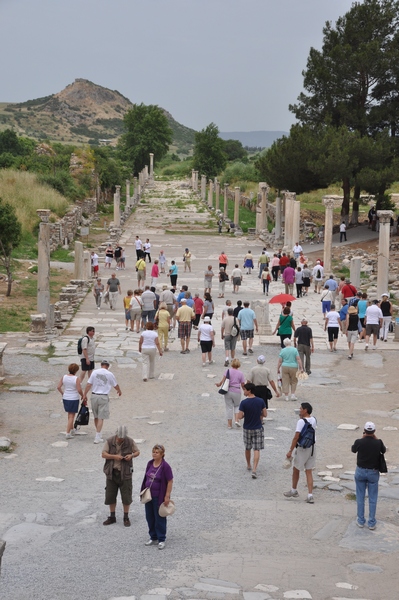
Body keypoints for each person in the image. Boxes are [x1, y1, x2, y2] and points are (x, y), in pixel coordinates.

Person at [102, 425, 140, 528]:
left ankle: (126, 517)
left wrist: (131, 456)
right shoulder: (110, 441)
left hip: (125, 473)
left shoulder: (130, 441)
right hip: (112, 472)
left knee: (126, 496)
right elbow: (103, 454)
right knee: (110, 495)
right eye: (119, 437)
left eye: (122, 438)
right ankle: (112, 516)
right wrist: (114, 457)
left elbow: (137, 452)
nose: (120, 439)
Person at [352, 422, 386, 530]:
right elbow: (384, 450)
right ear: (374, 431)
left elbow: (353, 449)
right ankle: (371, 522)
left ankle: (361, 520)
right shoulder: (378, 443)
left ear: (364, 431)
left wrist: (363, 437)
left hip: (361, 471)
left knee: (360, 496)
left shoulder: (359, 442)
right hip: (373, 472)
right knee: (373, 497)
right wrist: (375, 438)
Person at [141, 444, 173, 550]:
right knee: (149, 516)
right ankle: (153, 537)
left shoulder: (165, 466)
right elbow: (145, 477)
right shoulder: (150, 463)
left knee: (160, 517)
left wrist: (167, 496)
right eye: (153, 451)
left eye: (157, 452)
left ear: (162, 454)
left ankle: (161, 539)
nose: (154, 454)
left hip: (158, 496)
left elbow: (170, 481)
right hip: (149, 496)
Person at [284, 402, 317, 504]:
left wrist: (290, 450)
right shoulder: (314, 419)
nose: (299, 410)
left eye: (301, 409)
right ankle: (310, 495)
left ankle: (294, 490)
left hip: (302, 448)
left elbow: (296, 437)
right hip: (312, 447)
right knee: (309, 471)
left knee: (296, 469)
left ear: (305, 410)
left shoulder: (301, 422)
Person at [83, 360, 122, 444]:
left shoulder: (94, 372)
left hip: (94, 395)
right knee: (101, 417)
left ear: (101, 365)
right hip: (103, 396)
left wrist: (84, 394)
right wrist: (119, 391)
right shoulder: (109, 374)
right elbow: (115, 385)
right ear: (108, 366)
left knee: (96, 416)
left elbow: (89, 384)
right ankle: (97, 436)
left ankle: (98, 433)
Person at [237, 382, 267, 479]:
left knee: (247, 447)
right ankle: (254, 469)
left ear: (249, 391)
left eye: (245, 390)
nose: (244, 391)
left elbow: (239, 416)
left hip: (247, 428)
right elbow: (265, 414)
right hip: (257, 427)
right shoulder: (260, 401)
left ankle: (249, 464)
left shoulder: (244, 403)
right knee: (257, 449)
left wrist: (246, 414)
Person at [215, 358, 246, 429]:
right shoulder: (240, 373)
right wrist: (245, 390)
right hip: (237, 391)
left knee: (229, 407)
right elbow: (242, 384)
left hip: (228, 390)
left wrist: (219, 384)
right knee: (237, 406)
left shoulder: (228, 371)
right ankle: (237, 420)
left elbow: (223, 380)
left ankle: (229, 424)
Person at [57, 363, 83, 439]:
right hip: (73, 398)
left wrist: (63, 393)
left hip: (66, 397)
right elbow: (79, 389)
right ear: (76, 371)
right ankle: (68, 433)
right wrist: (83, 395)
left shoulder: (64, 377)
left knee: (69, 415)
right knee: (72, 416)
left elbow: (58, 387)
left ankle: (71, 429)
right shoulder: (76, 378)